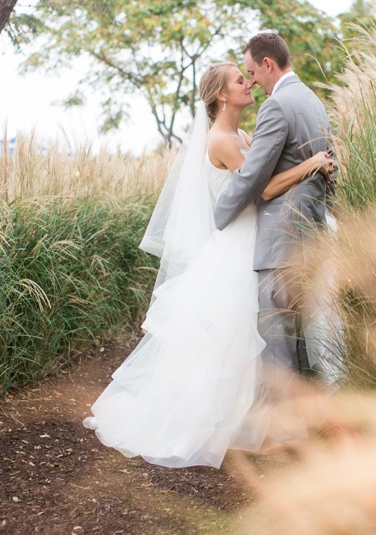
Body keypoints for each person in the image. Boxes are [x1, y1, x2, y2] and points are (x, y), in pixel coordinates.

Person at [82, 63, 332, 468]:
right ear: (221, 95)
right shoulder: (220, 141)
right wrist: (311, 164)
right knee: (235, 337)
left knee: (252, 336)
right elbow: (263, 189)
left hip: (255, 239)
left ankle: (256, 423)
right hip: (238, 245)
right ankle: (229, 426)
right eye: (239, 80)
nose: (248, 83)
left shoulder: (243, 136)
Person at [213, 33, 337, 396]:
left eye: (251, 71)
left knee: (278, 338)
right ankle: (304, 423)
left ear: (268, 64)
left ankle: (286, 431)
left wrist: (219, 216)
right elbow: (331, 166)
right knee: (300, 337)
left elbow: (253, 178)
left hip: (281, 240)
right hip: (311, 234)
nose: (251, 80)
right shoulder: (314, 101)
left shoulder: (277, 106)